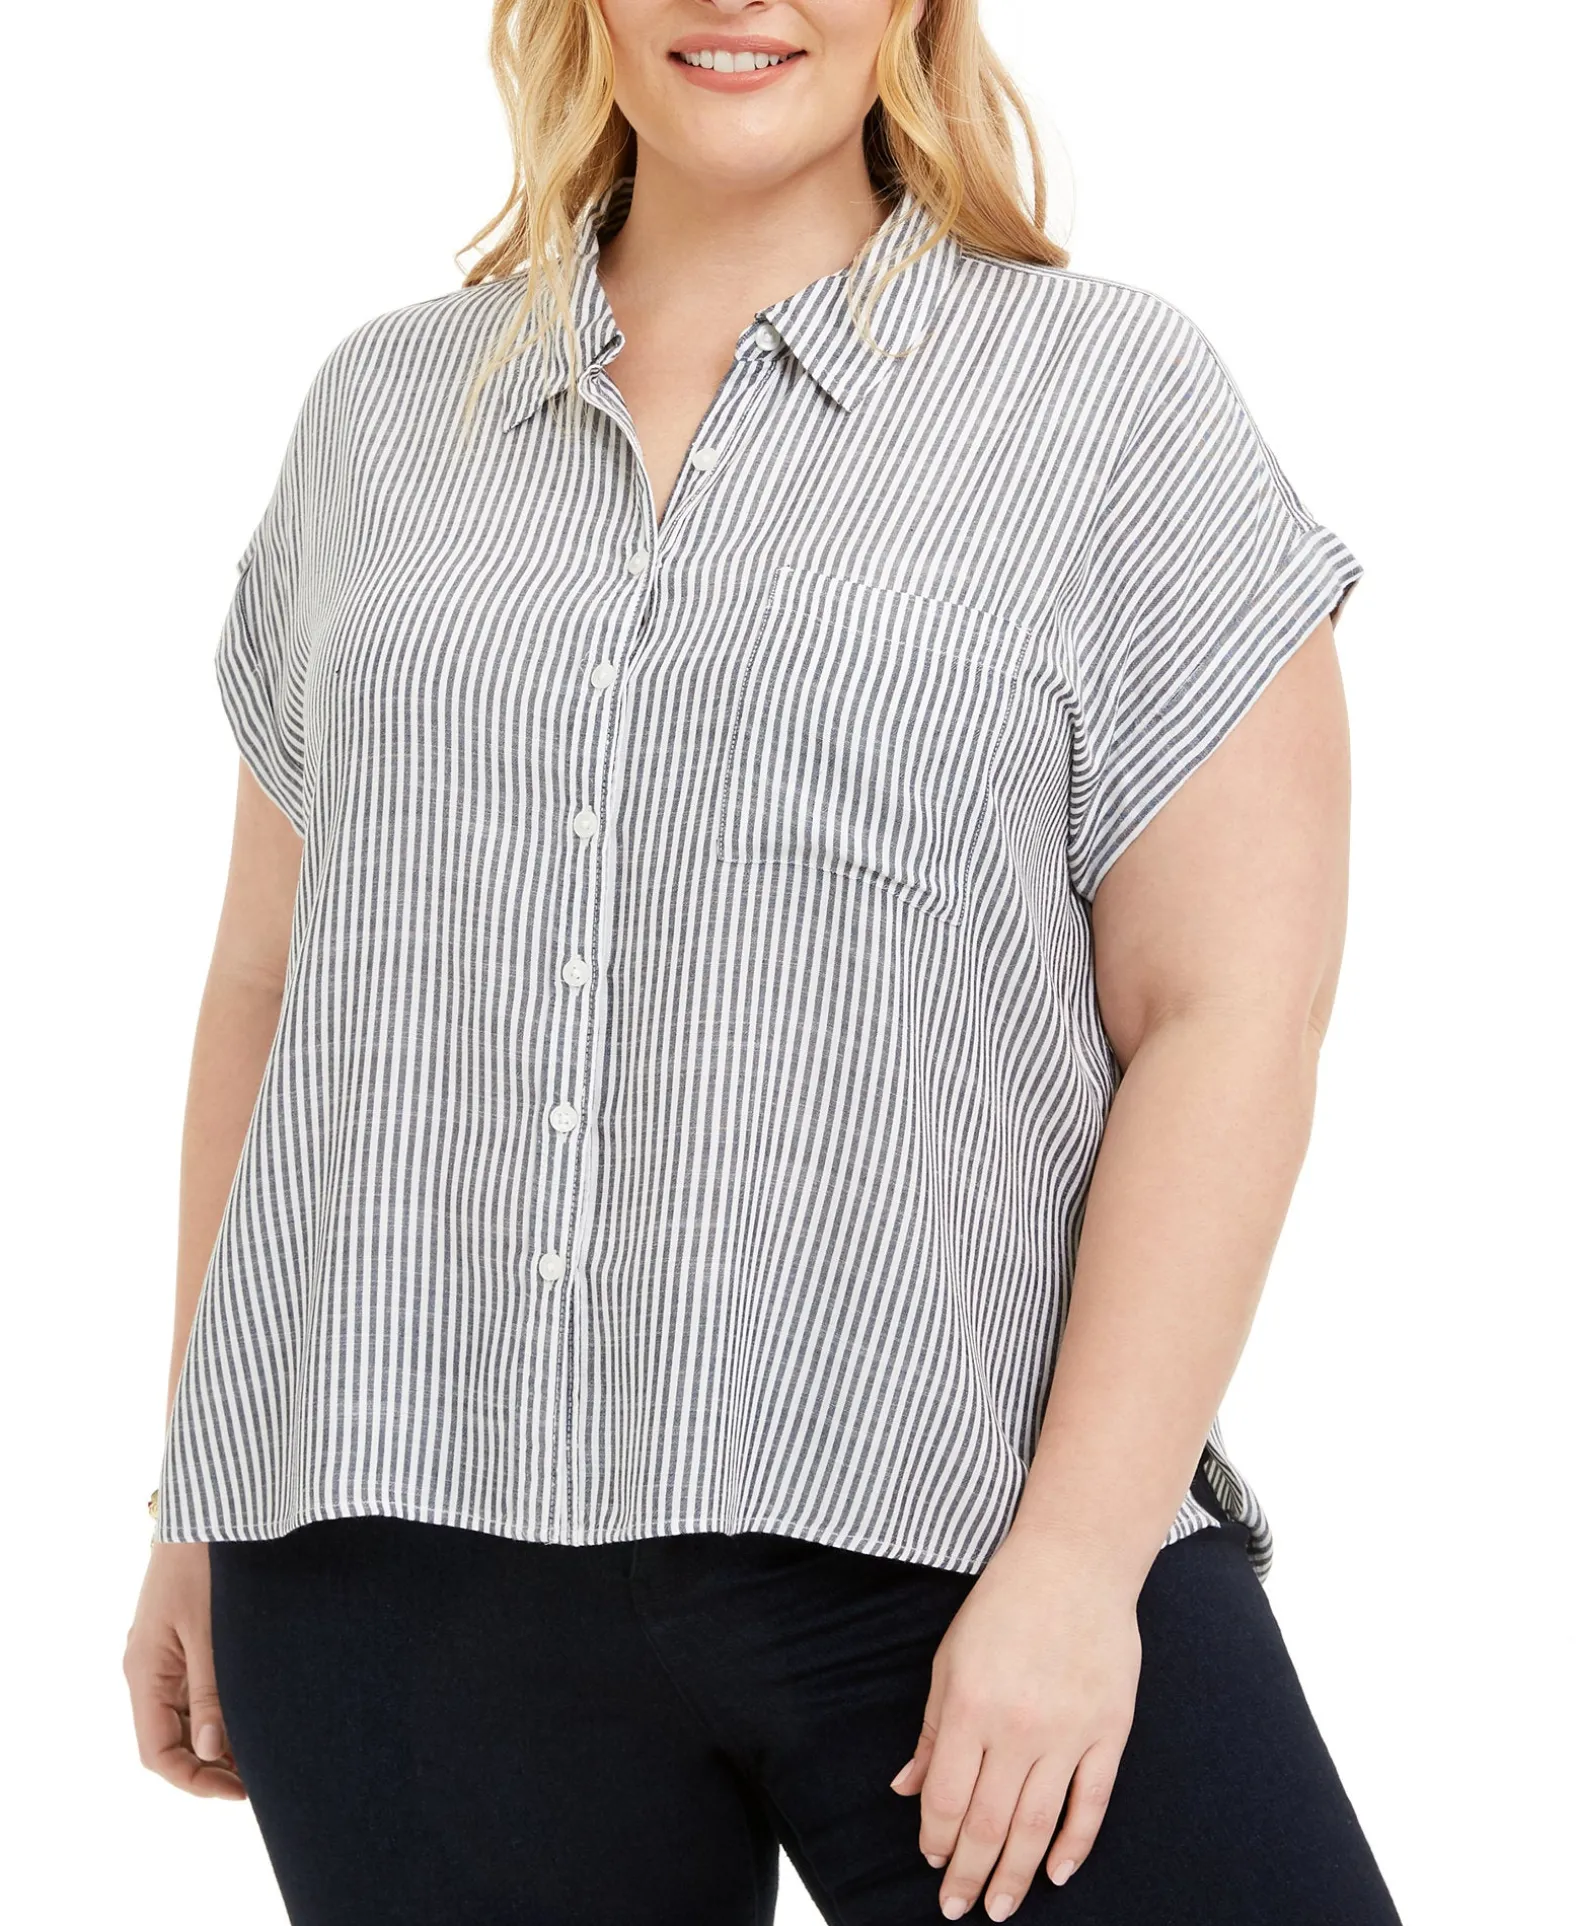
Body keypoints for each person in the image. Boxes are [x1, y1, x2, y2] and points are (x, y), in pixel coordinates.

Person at [122, 3, 1404, 1922]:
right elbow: (268, 982)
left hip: (946, 1522)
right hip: (399, 1561)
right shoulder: (381, 415)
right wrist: (199, 1493)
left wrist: (1078, 1560)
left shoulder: (1109, 403)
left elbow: (1225, 1014)